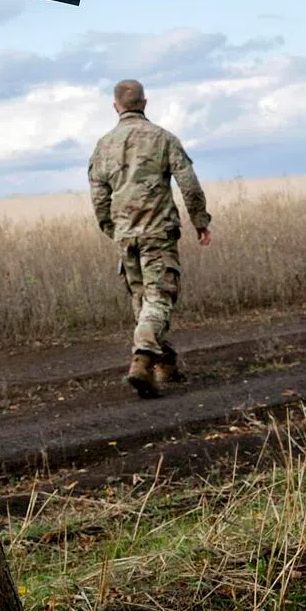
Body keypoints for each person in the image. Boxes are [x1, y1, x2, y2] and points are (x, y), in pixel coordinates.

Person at [88, 79, 212, 397]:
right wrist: (200, 221)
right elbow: (189, 184)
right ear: (145, 103)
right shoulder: (163, 138)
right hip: (158, 233)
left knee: (143, 301)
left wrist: (112, 229)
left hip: (125, 235)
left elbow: (98, 195)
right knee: (159, 299)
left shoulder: (104, 145)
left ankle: (165, 364)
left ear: (116, 106)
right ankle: (142, 359)